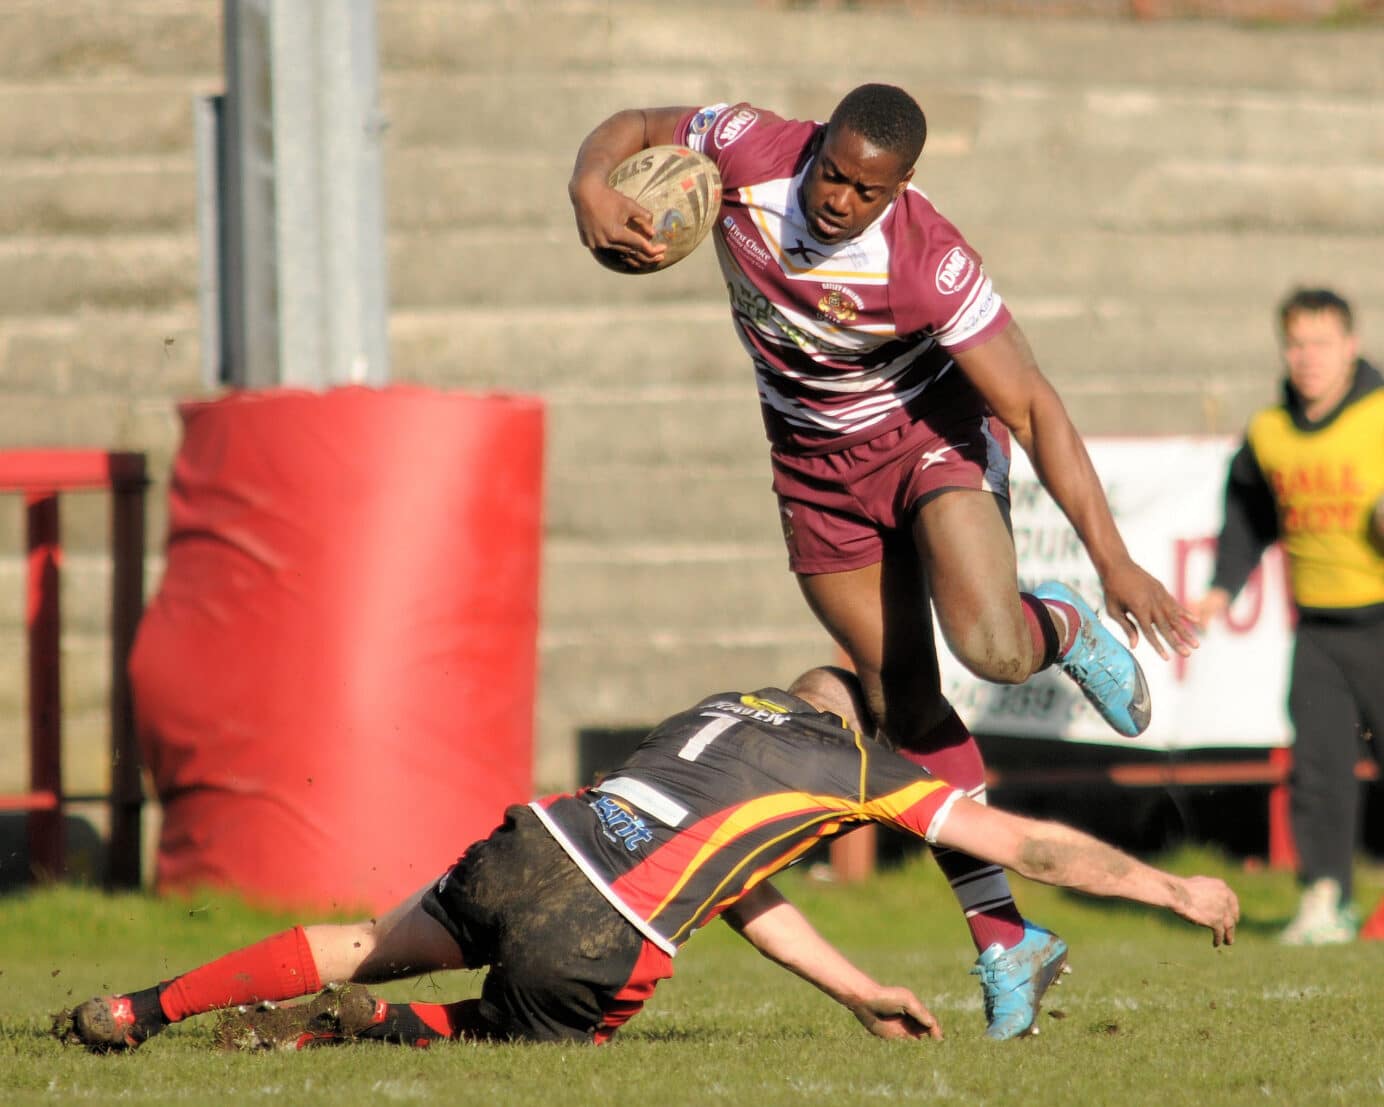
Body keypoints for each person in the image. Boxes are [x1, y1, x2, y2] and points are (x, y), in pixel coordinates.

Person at [568, 84, 1200, 1033]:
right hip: (813, 468)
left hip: (927, 439)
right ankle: (1004, 938)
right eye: (831, 174)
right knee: (905, 703)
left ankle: (1057, 621)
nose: (837, 201)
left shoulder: (927, 261)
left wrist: (1113, 562)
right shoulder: (751, 149)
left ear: (903, 185)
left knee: (990, 645)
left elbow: (1030, 405)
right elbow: (640, 126)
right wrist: (588, 184)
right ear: (816, 144)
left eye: (867, 190)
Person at [55, 666, 1237, 1054]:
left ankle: (139, 1004)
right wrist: (1170, 886)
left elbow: (737, 885)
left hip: (529, 844)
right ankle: (383, 1037)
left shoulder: (721, 714)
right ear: (857, 726)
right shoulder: (860, 769)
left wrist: (863, 989)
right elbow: (1023, 841)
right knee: (562, 1019)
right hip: (597, 928)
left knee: (366, 942)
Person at [1194, 287, 1384, 946]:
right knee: (1318, 769)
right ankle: (1325, 897)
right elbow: (1248, 514)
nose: (1307, 357)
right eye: (1296, 343)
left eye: (1321, 342)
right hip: (1322, 630)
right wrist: (1222, 588)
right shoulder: (1270, 432)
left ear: (1351, 346)